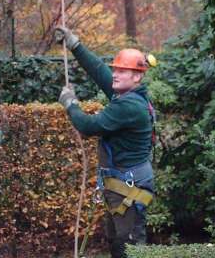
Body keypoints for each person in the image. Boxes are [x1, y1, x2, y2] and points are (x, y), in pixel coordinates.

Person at [55, 27, 156, 258]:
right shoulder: (128, 95)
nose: (116, 74)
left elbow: (89, 126)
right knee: (116, 242)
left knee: (129, 247)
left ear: (137, 76)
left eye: (123, 71)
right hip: (121, 185)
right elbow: (100, 71)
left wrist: (71, 104)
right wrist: (75, 45)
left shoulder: (128, 106)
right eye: (117, 69)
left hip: (128, 188)